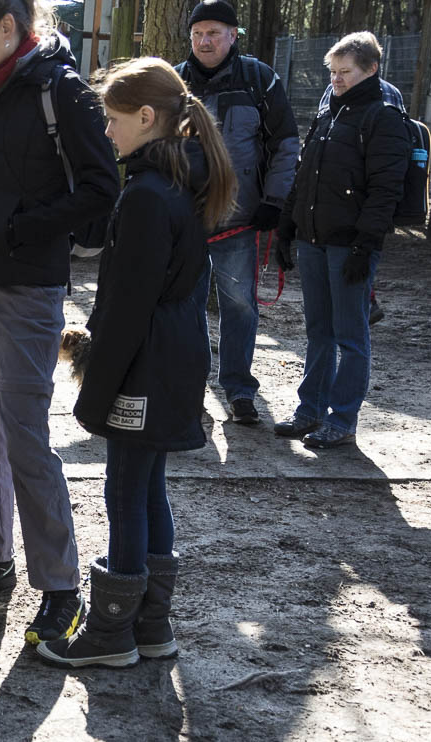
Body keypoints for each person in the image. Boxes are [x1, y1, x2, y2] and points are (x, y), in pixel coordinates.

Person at [38, 57, 237, 668]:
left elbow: (127, 307)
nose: (106, 131)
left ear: (147, 117)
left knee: (125, 490)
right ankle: (150, 626)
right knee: (148, 488)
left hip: (145, 362)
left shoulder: (148, 195)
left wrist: (97, 387)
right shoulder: (176, 181)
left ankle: (110, 634)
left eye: (113, 119)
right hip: (172, 355)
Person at [0, 0, 119, 645]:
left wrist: (21, 229)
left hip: (25, 291)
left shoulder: (59, 89)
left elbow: (102, 188)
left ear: (9, 27)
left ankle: (61, 588)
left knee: (24, 438)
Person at [273, 32, 409, 449]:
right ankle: (309, 411)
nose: (336, 79)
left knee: (351, 337)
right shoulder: (328, 109)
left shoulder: (383, 116)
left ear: (371, 69)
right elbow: (305, 172)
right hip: (313, 239)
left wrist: (365, 245)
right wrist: (286, 225)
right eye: (332, 72)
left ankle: (343, 420)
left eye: (345, 72)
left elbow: (385, 190)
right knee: (318, 331)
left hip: (349, 246)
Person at [174, 0, 299, 427]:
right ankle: (188, 388)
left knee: (240, 306)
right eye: (197, 34)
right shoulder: (173, 82)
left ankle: (239, 389)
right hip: (185, 221)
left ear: (233, 35)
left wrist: (274, 201)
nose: (204, 41)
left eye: (213, 33)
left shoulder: (259, 80)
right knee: (184, 306)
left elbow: (285, 143)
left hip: (241, 220)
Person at [319, 76, 405, 327]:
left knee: (356, 258)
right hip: (340, 200)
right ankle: (365, 302)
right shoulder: (334, 88)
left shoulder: (387, 96)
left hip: (358, 200)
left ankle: (364, 303)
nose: (338, 77)